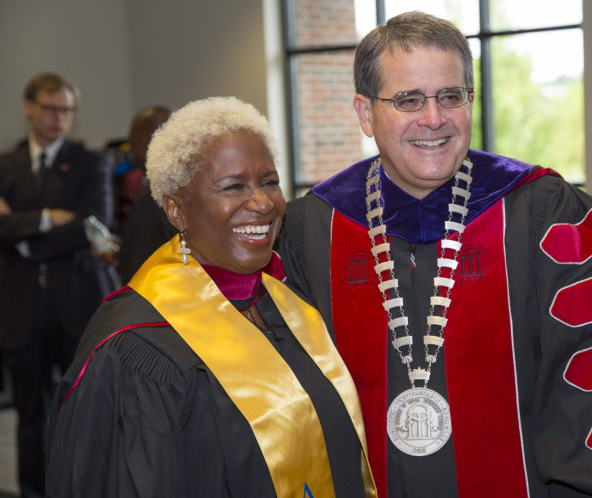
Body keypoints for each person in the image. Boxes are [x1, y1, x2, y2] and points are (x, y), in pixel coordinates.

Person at [278, 11, 592, 497]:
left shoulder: (547, 217)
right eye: (408, 99)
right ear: (365, 113)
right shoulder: (309, 231)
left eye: (450, 96)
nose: (433, 118)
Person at [45, 96, 376, 497]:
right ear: (176, 210)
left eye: (269, 182)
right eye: (233, 187)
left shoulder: (290, 305)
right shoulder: (138, 348)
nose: (262, 203)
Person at [0, 72, 116, 498]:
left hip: (77, 305)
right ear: (29, 107)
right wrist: (52, 218)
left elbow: (94, 226)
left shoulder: (91, 163)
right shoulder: (5, 165)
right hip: (21, 308)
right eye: (51, 108)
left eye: (67, 110)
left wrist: (21, 232)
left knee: (86, 411)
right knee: (31, 417)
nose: (60, 118)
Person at [116, 104, 177, 283]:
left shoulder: (162, 193)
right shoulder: (164, 185)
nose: (130, 149)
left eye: (131, 142)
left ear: (144, 140)